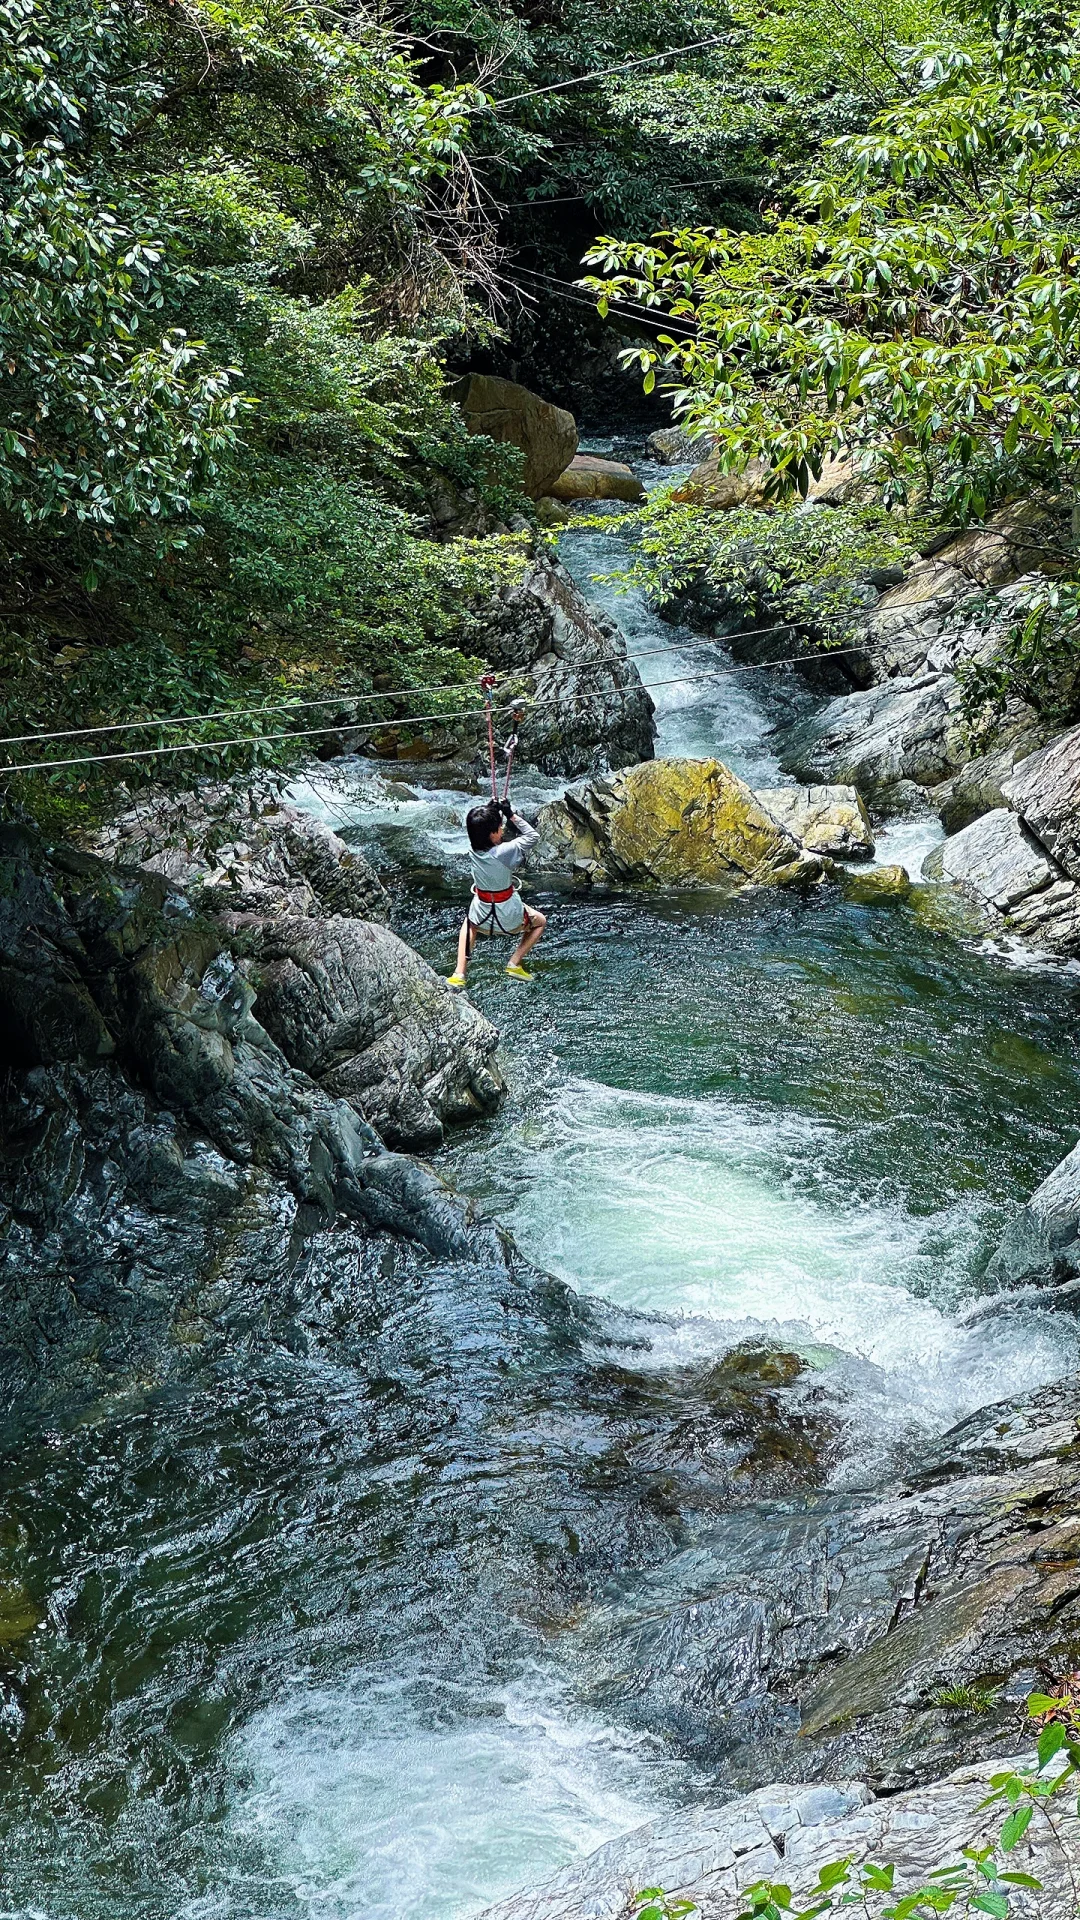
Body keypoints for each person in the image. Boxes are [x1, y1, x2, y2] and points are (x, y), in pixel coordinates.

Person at [447, 797, 546, 987]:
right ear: (492, 834)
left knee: (468, 925)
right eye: (499, 828)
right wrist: (510, 815)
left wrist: (488, 811)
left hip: (482, 915)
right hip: (510, 917)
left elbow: (478, 830)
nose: (502, 831)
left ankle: (459, 973)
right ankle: (514, 963)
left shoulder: (472, 849)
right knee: (540, 922)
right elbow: (533, 836)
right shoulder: (506, 851)